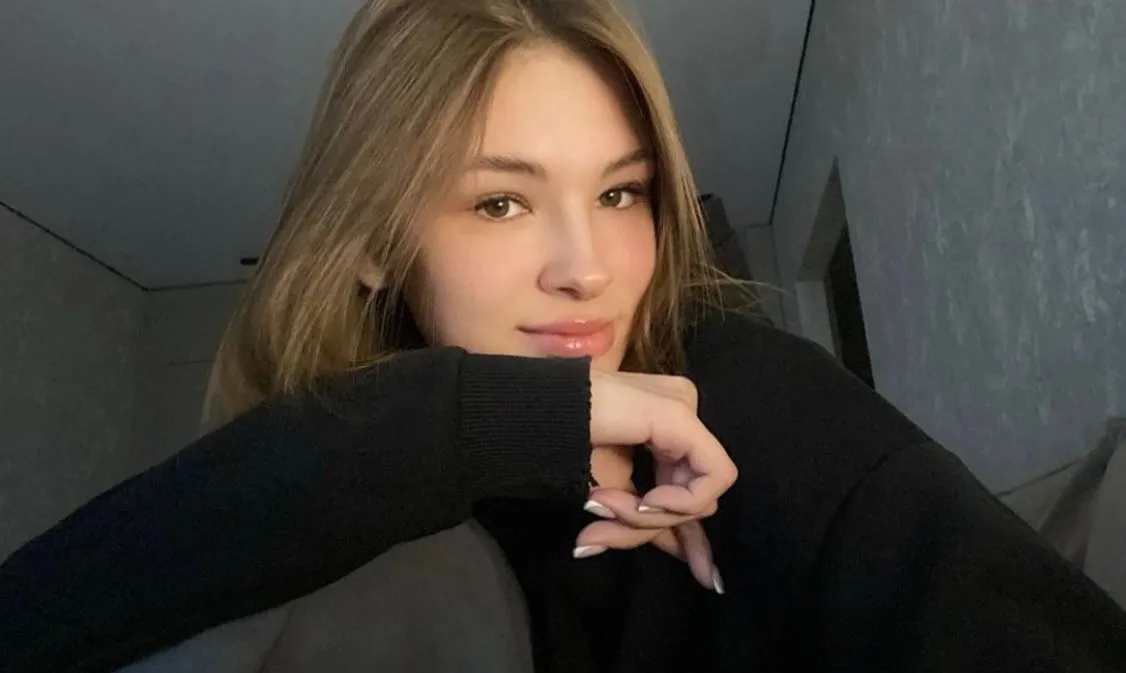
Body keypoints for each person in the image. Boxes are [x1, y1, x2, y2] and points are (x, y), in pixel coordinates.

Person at [2, 0, 1125, 671]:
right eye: (500, 202)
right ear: (375, 244)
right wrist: (477, 424)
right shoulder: (320, 471)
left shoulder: (735, 388)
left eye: (622, 192)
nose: (587, 266)